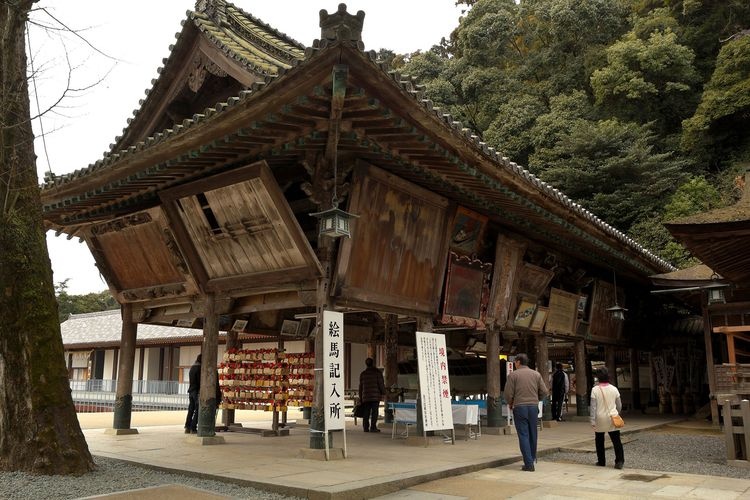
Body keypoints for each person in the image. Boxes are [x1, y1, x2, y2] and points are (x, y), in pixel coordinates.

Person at [504, 353, 548, 472]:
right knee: (533, 433)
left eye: (515, 362)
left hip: (520, 407)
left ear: (518, 362)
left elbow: (508, 393)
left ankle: (528, 463)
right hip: (533, 407)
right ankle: (532, 458)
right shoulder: (536, 374)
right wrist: (536, 398)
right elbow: (544, 391)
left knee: (523, 435)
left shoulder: (513, 375)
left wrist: (511, 402)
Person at [590, 367, 624, 469]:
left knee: (599, 440)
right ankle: (619, 461)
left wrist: (592, 420)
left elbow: (593, 407)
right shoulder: (614, 389)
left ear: (598, 378)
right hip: (612, 417)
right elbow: (619, 405)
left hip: (600, 418)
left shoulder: (595, 390)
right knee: (616, 440)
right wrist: (617, 413)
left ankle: (601, 461)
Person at [358, 357, 385, 433]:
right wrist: (384, 393)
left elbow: (360, 387)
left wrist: (361, 397)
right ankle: (373, 427)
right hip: (375, 396)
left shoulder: (363, 374)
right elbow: (381, 384)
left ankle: (365, 427)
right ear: (373, 363)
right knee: (374, 412)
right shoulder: (377, 373)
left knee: (366, 412)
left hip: (365, 396)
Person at [184, 354, 201, 434]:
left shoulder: (192, 367)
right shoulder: (199, 368)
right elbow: (199, 381)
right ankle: (193, 427)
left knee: (191, 409)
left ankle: (187, 426)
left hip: (191, 390)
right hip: (196, 391)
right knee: (198, 409)